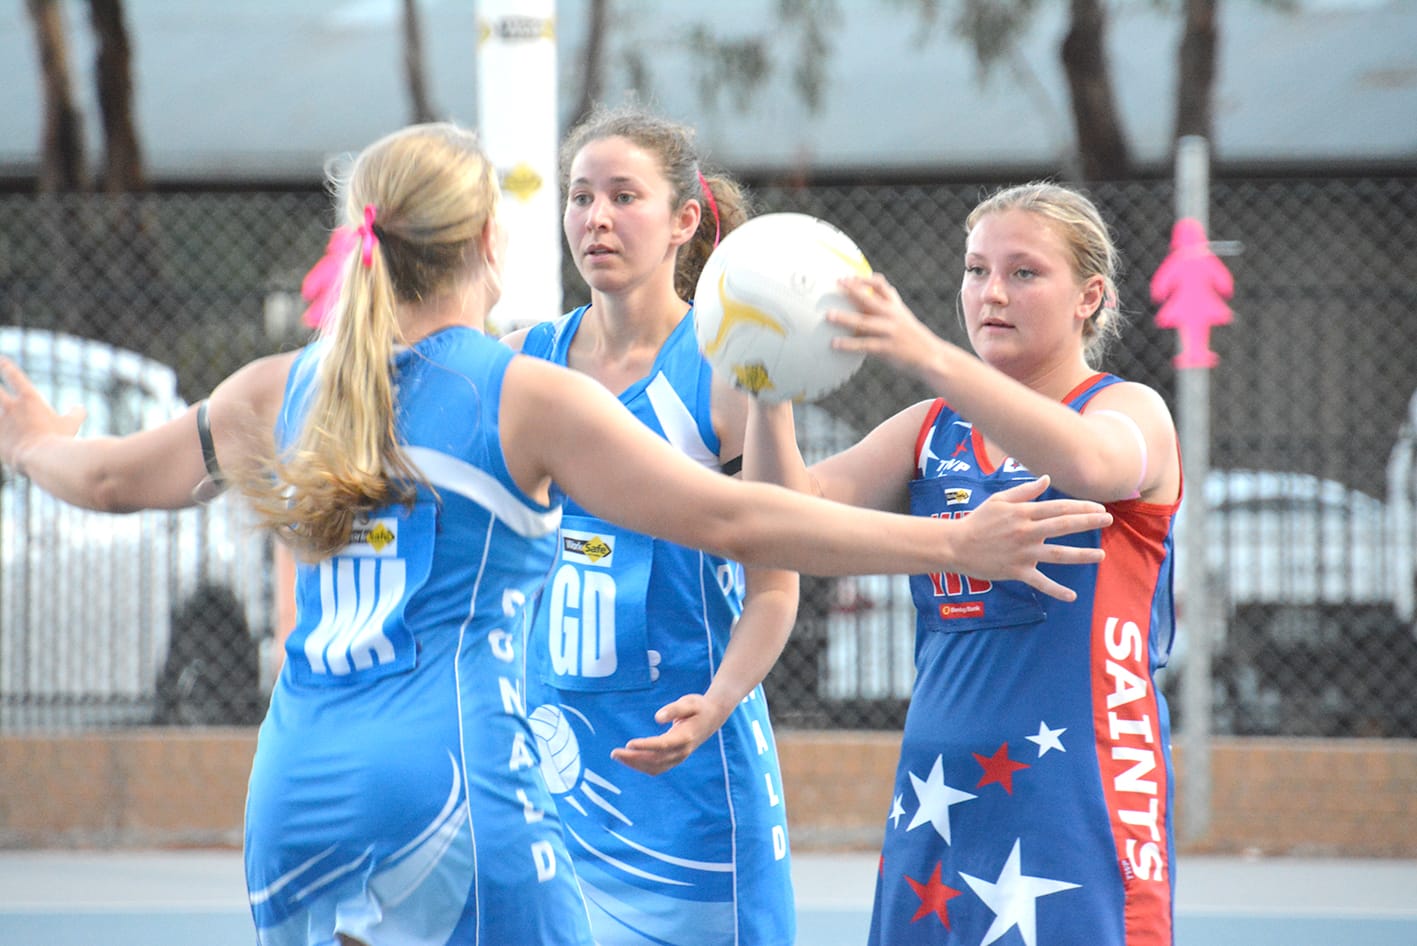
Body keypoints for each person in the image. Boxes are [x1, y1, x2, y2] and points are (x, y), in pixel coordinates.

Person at [0, 126, 1113, 946]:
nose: (592, 218)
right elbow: (731, 516)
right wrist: (951, 547)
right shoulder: (522, 387)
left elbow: (103, 479)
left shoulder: (276, 389)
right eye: (576, 196)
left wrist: (31, 437)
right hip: (451, 781)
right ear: (490, 237)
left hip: (293, 786)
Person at [745, 182, 1181, 945]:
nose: (991, 293)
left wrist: (923, 353)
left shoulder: (1125, 410)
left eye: (1022, 273)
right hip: (937, 790)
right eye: (976, 271)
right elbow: (786, 517)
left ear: (1090, 296)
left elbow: (1092, 461)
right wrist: (765, 381)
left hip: (1078, 783)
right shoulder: (928, 430)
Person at [501, 104, 803, 946]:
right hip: (552, 761)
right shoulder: (524, 360)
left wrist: (719, 700)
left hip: (687, 759)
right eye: (579, 196)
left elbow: (776, 581)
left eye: (622, 196)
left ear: (682, 222)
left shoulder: (729, 373)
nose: (595, 217)